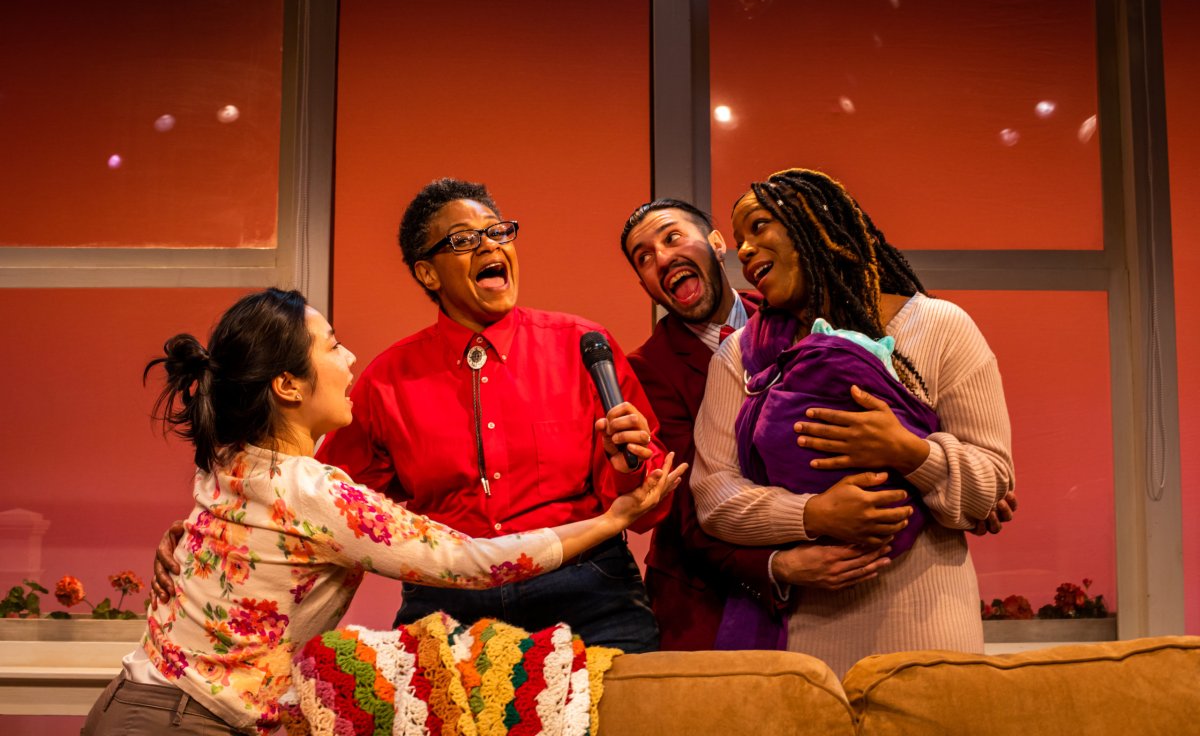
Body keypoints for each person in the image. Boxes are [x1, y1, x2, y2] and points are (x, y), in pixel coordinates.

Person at [87, 288, 680, 736]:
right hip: (181, 723)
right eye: (333, 345)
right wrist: (610, 521)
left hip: (139, 705)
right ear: (289, 385)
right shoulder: (313, 493)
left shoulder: (229, 461)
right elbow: (469, 562)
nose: (350, 359)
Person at [314, 178, 672, 652]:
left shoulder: (582, 344)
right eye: (464, 240)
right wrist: (210, 535)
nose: (489, 246)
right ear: (428, 274)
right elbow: (320, 505)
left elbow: (652, 506)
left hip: (586, 589)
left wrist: (628, 469)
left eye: (498, 232)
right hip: (448, 602)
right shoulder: (387, 381)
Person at [691, 168, 1016, 675]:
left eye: (758, 228)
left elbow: (992, 486)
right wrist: (814, 514)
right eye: (739, 242)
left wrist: (908, 451)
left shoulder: (939, 328)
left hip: (927, 642)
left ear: (815, 223)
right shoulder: (739, 357)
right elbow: (713, 496)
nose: (746, 251)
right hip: (799, 652)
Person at [620, 199, 893, 650]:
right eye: (644, 258)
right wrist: (777, 565)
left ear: (716, 243)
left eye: (671, 238)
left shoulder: (801, 317)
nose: (662, 258)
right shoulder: (647, 369)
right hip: (707, 607)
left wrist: (937, 477)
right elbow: (692, 502)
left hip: (837, 597)